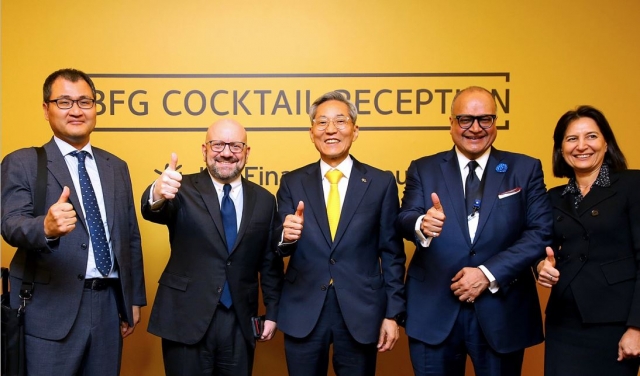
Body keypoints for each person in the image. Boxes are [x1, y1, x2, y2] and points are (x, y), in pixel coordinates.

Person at [396, 86, 552, 376]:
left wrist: (486, 273)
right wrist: (421, 224)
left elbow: (539, 233)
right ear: (452, 122)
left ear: (495, 123)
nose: (475, 128)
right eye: (466, 119)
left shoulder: (525, 168)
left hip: (501, 309)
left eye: (485, 119)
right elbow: (406, 217)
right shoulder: (424, 168)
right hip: (434, 310)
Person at [1, 68, 146, 376]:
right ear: (46, 109)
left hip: (108, 306)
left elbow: (129, 236)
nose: (77, 110)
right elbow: (10, 223)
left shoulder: (116, 166)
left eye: (85, 101)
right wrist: (45, 227)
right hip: (49, 310)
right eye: (65, 102)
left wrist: (132, 298)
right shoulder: (23, 162)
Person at [276, 91, 406, 376]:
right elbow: (278, 247)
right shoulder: (292, 182)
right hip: (303, 309)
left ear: (355, 130)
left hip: (362, 311)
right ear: (311, 132)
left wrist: (391, 314)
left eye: (340, 121)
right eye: (321, 123)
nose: (330, 130)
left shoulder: (380, 182)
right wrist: (287, 236)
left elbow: (392, 253)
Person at [140, 118, 284, 376]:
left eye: (235, 146)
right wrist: (157, 193)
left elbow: (269, 262)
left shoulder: (264, 200)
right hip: (185, 318)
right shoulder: (179, 189)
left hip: (239, 321)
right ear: (204, 149)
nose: (226, 153)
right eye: (218, 145)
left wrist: (272, 312)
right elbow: (154, 211)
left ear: (247, 152)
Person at [536, 105, 640, 376]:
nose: (582, 146)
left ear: (606, 142)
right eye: (572, 139)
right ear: (561, 149)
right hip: (564, 321)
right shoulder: (553, 197)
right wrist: (539, 266)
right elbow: (539, 246)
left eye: (591, 136)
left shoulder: (633, 185)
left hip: (615, 323)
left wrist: (637, 327)